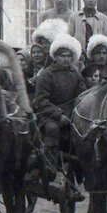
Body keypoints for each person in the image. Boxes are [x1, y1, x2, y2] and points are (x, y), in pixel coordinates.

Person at [32, 34, 88, 172]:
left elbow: (81, 97)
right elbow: (42, 101)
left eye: (69, 56)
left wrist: (75, 115)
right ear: (55, 57)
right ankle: (50, 166)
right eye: (62, 56)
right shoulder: (47, 74)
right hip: (49, 115)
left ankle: (82, 166)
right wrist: (59, 115)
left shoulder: (76, 74)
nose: (66, 59)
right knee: (52, 129)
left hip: (71, 115)